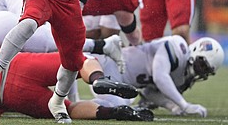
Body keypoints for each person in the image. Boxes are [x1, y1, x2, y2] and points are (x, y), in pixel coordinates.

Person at [0, 29, 153, 121]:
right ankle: (98, 79)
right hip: (20, 63)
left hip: (9, 92)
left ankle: (118, 113)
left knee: (65, 109)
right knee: (79, 60)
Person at [87, 35, 224, 117]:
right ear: (195, 50)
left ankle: (77, 104)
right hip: (110, 68)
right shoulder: (178, 47)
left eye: (206, 70)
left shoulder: (183, 75)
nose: (201, 70)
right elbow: (160, 77)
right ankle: (76, 106)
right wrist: (184, 105)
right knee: (121, 110)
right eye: (202, 64)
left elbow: (149, 93)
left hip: (121, 82)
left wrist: (172, 106)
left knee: (124, 108)